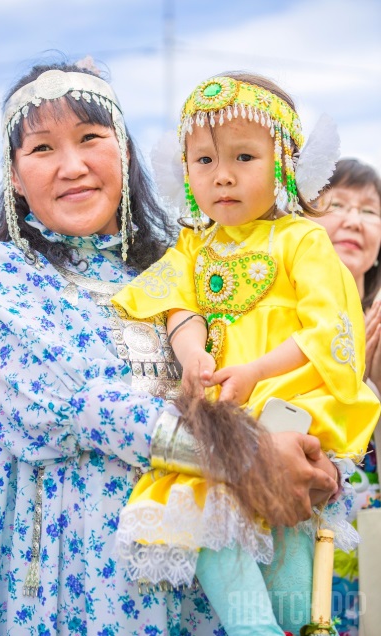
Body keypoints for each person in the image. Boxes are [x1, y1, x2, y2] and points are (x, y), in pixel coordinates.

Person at [0, 60, 340, 636]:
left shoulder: (186, 265)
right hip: (79, 584)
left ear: (126, 153)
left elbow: (279, 358)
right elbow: (85, 405)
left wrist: (311, 450)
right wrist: (251, 459)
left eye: (91, 139)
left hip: (206, 578)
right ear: (14, 174)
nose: (72, 166)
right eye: (41, 149)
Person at [112, 73, 381, 635]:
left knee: (288, 557)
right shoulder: (191, 244)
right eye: (204, 161)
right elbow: (175, 305)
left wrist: (257, 369)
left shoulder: (300, 239)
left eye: (242, 157)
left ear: (284, 162)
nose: (223, 175)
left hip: (287, 403)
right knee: (206, 522)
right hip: (222, 415)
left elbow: (328, 324)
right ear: (185, 171)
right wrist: (193, 357)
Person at [313, 158, 381, 636]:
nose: (353, 220)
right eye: (335, 204)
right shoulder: (277, 322)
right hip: (299, 530)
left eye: (370, 211)